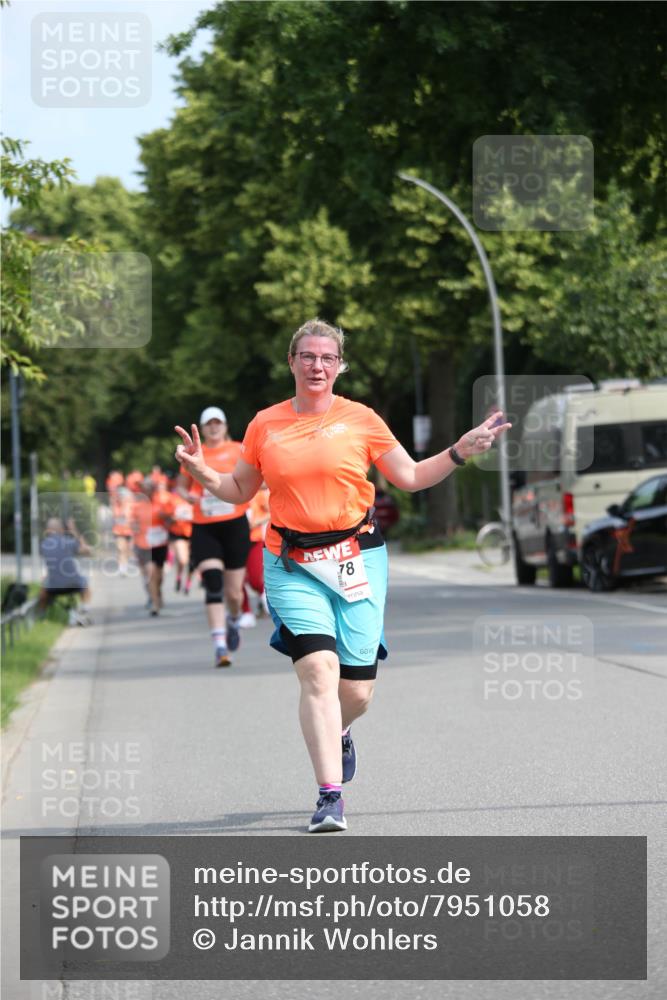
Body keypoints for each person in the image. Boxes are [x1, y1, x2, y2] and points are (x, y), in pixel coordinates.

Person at [175, 318, 510, 833]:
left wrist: (459, 451)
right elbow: (240, 490)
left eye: (327, 358)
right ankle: (329, 797)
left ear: (339, 366)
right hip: (292, 562)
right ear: (291, 362)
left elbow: (413, 476)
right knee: (317, 673)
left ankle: (340, 731)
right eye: (307, 356)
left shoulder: (361, 418)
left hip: (357, 558)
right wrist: (202, 472)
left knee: (356, 693)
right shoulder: (266, 424)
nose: (317, 366)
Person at [176, 407, 251, 667]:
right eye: (209, 424)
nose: (214, 427)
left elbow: (256, 479)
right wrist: (189, 497)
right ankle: (220, 645)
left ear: (226, 426)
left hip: (235, 525)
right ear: (203, 427)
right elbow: (181, 486)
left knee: (233, 594)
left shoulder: (239, 449)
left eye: (218, 422)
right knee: (213, 582)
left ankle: (233, 620)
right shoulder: (196, 453)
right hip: (204, 526)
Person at [131, 479, 174, 616]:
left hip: (160, 543)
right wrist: (135, 527)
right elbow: (132, 523)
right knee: (151, 574)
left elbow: (171, 522)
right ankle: (155, 604)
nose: (147, 490)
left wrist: (166, 517)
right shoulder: (137, 505)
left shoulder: (162, 504)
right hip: (144, 544)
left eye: (150, 488)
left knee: (159, 575)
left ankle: (157, 592)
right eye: (145, 488)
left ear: (154, 490)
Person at [39, 517, 92, 625]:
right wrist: (73, 529)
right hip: (74, 584)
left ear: (48, 530)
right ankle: (83, 610)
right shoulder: (68, 542)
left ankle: (42, 616)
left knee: (43, 589)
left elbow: (54, 562)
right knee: (85, 582)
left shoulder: (43, 544)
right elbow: (86, 549)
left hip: (53, 587)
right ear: (62, 530)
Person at [239, 482, 271, 627]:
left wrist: (256, 523)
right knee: (236, 581)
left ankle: (265, 596)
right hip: (234, 541)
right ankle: (246, 612)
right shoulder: (230, 498)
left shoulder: (257, 496)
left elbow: (271, 512)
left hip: (255, 540)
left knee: (255, 579)